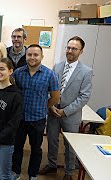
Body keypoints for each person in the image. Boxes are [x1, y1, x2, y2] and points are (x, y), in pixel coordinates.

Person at [39, 36, 93, 180]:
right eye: (68, 47)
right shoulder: (57, 66)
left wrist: (65, 111)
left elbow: (84, 97)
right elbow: (47, 88)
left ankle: (69, 172)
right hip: (53, 111)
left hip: (71, 115)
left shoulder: (86, 71)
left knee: (70, 145)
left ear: (81, 51)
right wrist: (51, 107)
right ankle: (52, 165)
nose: (70, 51)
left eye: (74, 48)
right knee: (51, 140)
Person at [11, 44, 60, 180]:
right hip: (19, 118)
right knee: (17, 147)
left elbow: (55, 96)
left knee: (36, 149)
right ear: (26, 56)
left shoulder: (49, 74)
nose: (32, 57)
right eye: (29, 54)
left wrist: (44, 107)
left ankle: (33, 174)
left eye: (35, 55)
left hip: (37, 119)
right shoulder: (18, 73)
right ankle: (16, 172)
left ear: (42, 56)